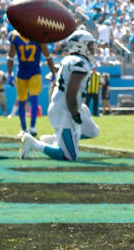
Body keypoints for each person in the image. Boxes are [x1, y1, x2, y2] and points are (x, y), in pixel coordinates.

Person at [19, 31, 99, 161]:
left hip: (69, 105)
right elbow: (71, 92)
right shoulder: (79, 64)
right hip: (66, 108)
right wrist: (74, 115)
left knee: (92, 131)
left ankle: (56, 138)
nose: (93, 49)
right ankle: (33, 143)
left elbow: (54, 84)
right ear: (80, 46)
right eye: (89, 45)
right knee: (70, 156)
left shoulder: (67, 60)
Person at [7, 30, 55, 136]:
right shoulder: (15, 36)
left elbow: (48, 56)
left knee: (34, 99)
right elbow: (10, 57)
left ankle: (32, 127)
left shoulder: (38, 36)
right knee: (22, 101)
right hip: (21, 74)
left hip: (35, 73)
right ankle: (24, 128)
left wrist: (53, 72)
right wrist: (9, 74)